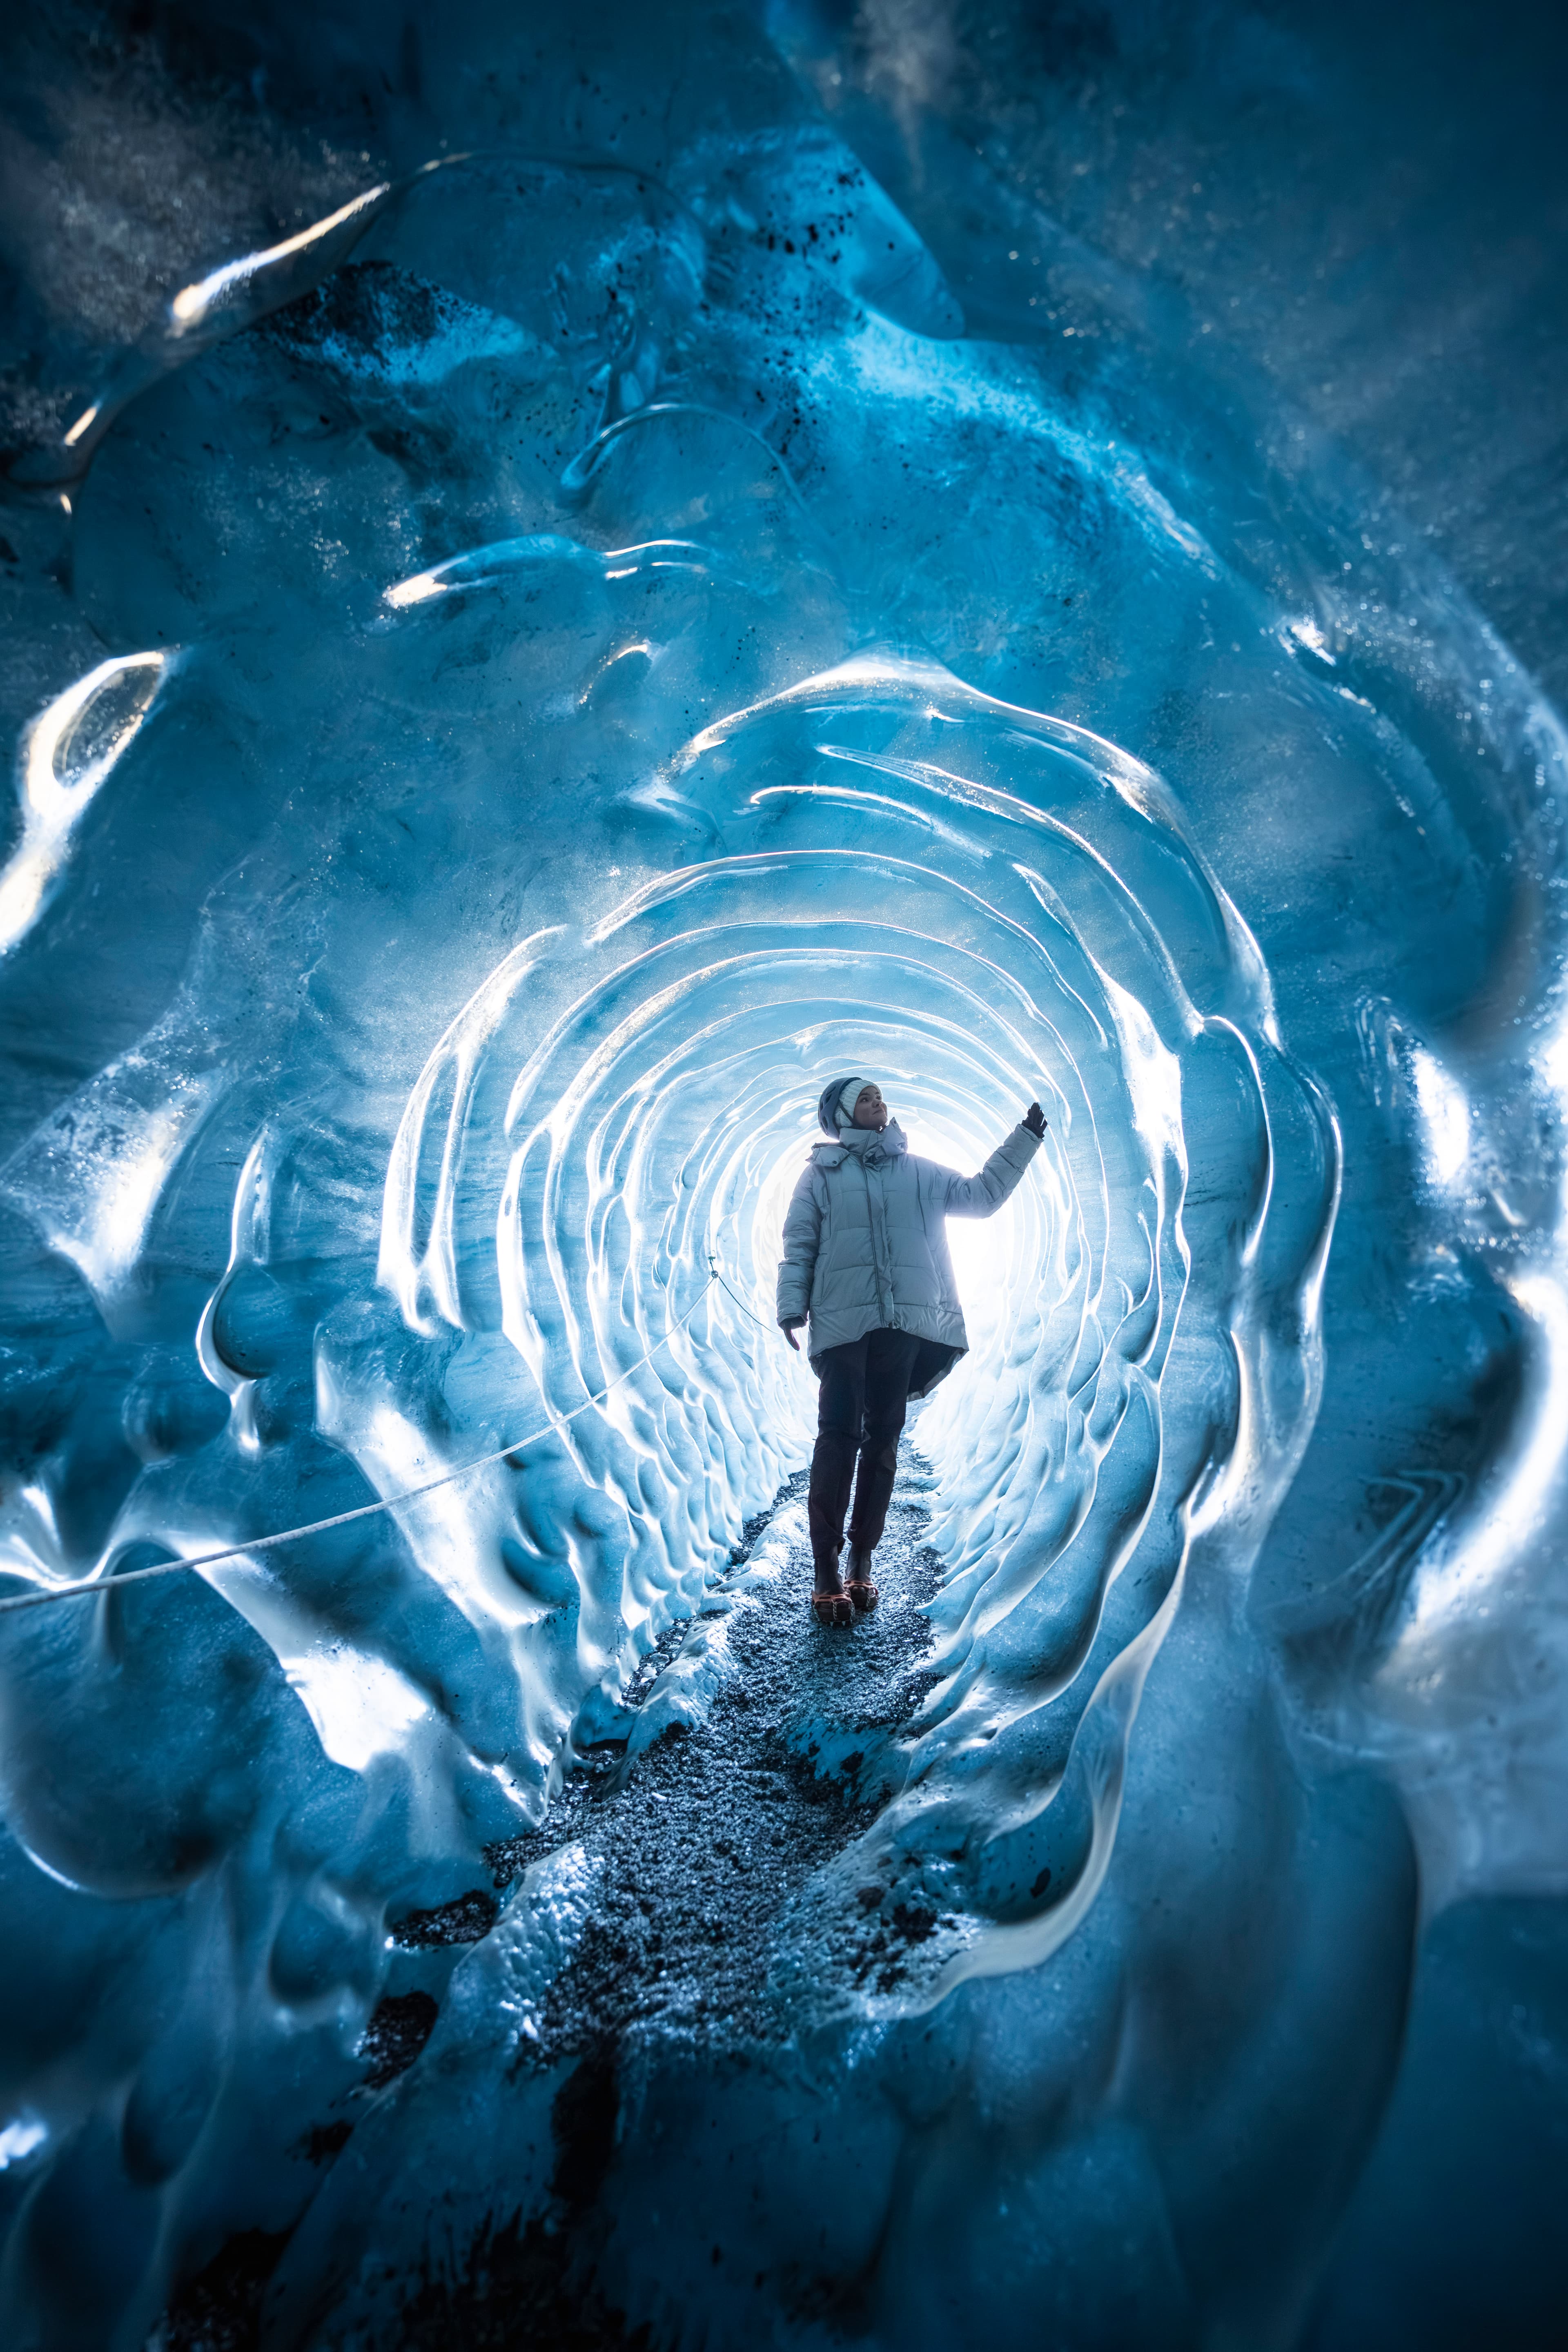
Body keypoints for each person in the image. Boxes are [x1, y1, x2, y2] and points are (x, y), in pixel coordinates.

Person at [776, 1074, 1047, 1626]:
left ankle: (861, 1560)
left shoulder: (917, 1171)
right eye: (866, 1098)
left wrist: (1025, 1139)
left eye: (879, 1094)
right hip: (844, 1323)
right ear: (846, 1117)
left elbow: (981, 1195)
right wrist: (791, 1306)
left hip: (903, 1324)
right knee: (838, 1438)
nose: (880, 1102)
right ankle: (825, 1570)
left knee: (883, 1443)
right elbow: (799, 1243)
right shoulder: (820, 1177)